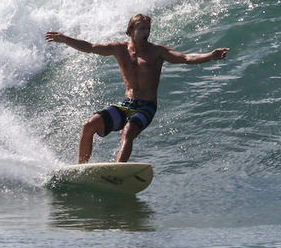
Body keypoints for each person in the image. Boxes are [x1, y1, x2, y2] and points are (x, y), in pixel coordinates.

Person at [45, 14, 229, 164]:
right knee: (88, 126)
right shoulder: (119, 49)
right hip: (127, 103)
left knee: (129, 130)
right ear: (131, 30)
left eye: (148, 28)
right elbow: (91, 47)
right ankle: (81, 168)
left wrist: (209, 56)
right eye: (141, 28)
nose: (146, 31)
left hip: (146, 106)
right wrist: (65, 39)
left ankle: (118, 171)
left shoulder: (157, 51)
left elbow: (186, 58)